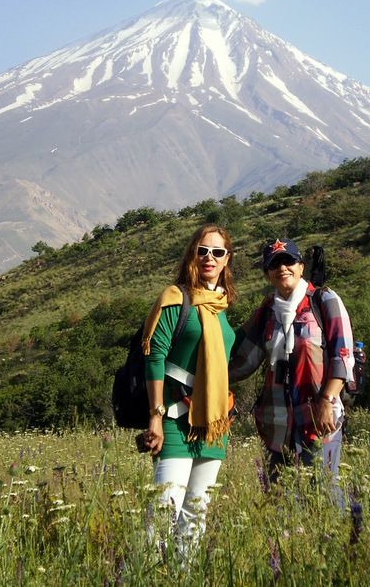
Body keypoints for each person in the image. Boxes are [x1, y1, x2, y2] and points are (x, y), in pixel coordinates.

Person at [229, 238, 354, 505]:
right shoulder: (267, 311)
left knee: (323, 494)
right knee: (280, 500)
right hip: (277, 423)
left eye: (288, 261)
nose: (281, 268)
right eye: (274, 264)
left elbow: (343, 356)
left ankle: (345, 541)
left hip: (319, 418)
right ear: (268, 273)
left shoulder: (324, 300)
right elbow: (244, 359)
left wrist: (327, 401)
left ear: (300, 267)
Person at [141, 224, 238, 554]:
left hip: (213, 426)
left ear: (227, 260)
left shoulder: (221, 307)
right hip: (174, 421)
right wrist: (155, 417)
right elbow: (154, 358)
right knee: (162, 517)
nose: (209, 258)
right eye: (202, 251)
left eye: (217, 252)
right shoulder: (175, 298)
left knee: (195, 519)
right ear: (191, 255)